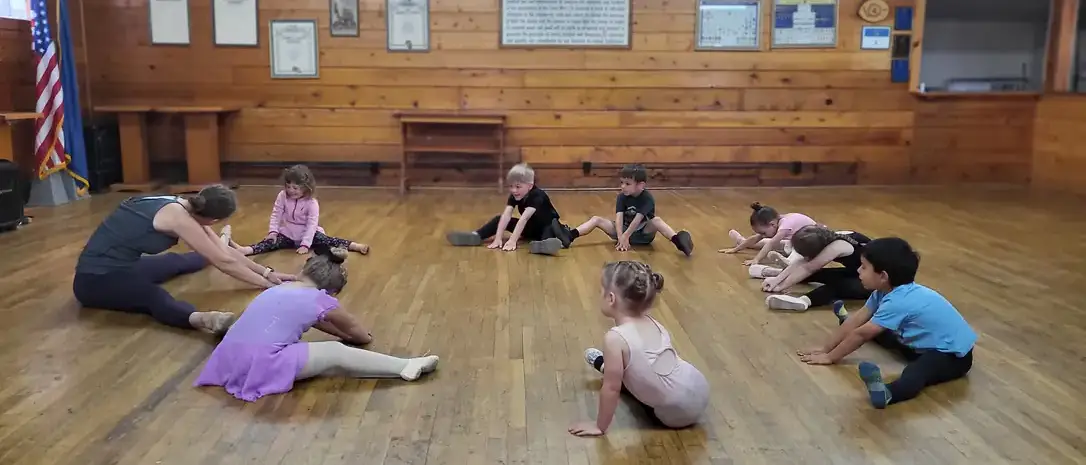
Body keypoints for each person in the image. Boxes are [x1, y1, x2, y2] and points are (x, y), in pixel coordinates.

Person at [193, 247, 440, 402]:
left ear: (303, 272)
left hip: (229, 355)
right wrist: (356, 336)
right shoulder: (321, 299)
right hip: (263, 362)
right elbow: (358, 334)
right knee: (336, 353)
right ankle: (404, 366)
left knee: (322, 351)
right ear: (332, 291)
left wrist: (330, 326)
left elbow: (317, 322)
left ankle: (404, 367)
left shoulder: (280, 288)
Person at [73, 185, 297, 333]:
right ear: (214, 219)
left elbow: (220, 251)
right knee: (152, 296)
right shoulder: (179, 218)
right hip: (94, 280)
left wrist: (268, 273)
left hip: (124, 266)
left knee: (176, 262)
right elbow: (224, 261)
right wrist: (268, 287)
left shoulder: (180, 203)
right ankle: (200, 319)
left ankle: (232, 266)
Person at [796, 238, 977, 409]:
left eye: (864, 267)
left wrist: (830, 357)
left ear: (883, 276)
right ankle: (846, 320)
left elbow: (861, 334)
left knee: (918, 371)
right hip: (921, 344)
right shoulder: (882, 292)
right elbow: (858, 320)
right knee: (879, 332)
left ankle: (888, 393)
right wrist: (825, 348)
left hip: (952, 356)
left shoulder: (899, 301)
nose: (858, 271)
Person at [568, 261, 709, 437]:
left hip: (675, 414)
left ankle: (605, 366)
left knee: (615, 377)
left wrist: (600, 426)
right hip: (699, 388)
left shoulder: (615, 338)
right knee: (641, 363)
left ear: (611, 299)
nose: (599, 294)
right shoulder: (653, 322)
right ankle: (614, 368)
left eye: (600, 291)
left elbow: (611, 388)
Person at [226, 165, 370, 257]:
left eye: (295, 188)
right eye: (288, 186)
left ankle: (354, 246)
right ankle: (245, 250)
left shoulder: (312, 203)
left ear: (306, 187)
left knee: (328, 241)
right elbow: (276, 214)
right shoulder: (282, 195)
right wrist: (273, 232)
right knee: (269, 243)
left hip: (308, 234)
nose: (291, 191)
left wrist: (305, 244)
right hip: (287, 232)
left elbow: (311, 224)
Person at [445, 163, 573, 256]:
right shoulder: (515, 195)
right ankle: (477, 236)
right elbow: (506, 215)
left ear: (530, 186)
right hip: (529, 229)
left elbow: (523, 219)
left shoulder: (537, 196)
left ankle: (542, 245)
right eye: (511, 186)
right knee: (498, 218)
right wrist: (498, 238)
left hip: (546, 228)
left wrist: (512, 241)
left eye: (517, 186)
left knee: (548, 229)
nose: (513, 190)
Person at [566, 164, 693, 256]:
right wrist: (621, 236)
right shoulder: (622, 197)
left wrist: (625, 236)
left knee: (657, 221)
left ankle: (678, 242)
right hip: (623, 231)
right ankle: (568, 236)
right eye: (622, 182)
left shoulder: (647, 198)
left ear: (641, 185)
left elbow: (638, 220)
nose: (622, 186)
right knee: (596, 219)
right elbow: (619, 217)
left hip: (642, 234)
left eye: (627, 184)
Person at [758, 225, 873, 312]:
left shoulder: (837, 246)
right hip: (858, 271)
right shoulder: (825, 237)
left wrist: (781, 287)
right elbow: (803, 261)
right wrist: (777, 279)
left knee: (836, 286)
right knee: (819, 273)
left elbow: (808, 268)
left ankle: (804, 301)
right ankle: (775, 273)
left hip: (875, 282)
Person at [719, 202, 817, 276]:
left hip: (814, 242)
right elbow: (756, 238)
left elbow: (771, 244)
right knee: (767, 241)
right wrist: (735, 250)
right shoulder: (775, 223)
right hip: (797, 240)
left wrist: (756, 259)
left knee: (775, 243)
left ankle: (789, 263)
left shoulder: (785, 225)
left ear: (772, 224)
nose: (763, 235)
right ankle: (741, 241)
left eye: (763, 232)